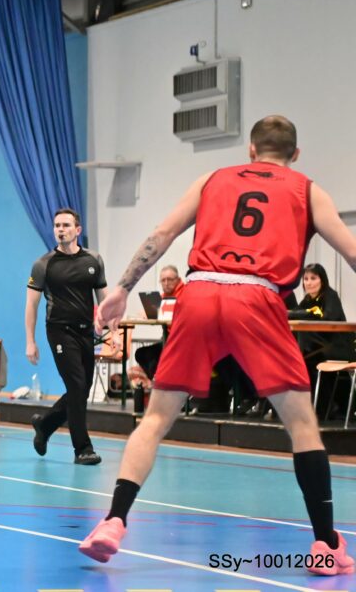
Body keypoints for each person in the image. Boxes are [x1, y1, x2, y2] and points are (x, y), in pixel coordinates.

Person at [80, 116, 355, 576]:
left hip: (200, 291)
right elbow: (352, 252)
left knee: (156, 419)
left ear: (251, 150)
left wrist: (122, 287)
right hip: (258, 296)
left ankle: (113, 520)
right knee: (303, 425)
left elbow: (161, 235)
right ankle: (326, 545)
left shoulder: (211, 180)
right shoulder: (308, 190)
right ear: (295, 154)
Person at [25, 208, 107, 465]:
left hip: (86, 332)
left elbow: (103, 301)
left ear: (77, 230)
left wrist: (112, 330)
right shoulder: (43, 264)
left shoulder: (94, 260)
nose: (60, 229)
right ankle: (82, 449)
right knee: (77, 385)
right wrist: (30, 341)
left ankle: (45, 425)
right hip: (59, 331)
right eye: (57, 225)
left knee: (81, 388)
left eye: (66, 225)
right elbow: (31, 305)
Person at [287, 263, 354, 416]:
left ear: (322, 280)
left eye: (313, 278)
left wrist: (305, 313)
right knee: (301, 362)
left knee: (306, 360)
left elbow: (328, 318)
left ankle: (326, 408)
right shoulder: (307, 300)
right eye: (306, 279)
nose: (309, 283)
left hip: (338, 348)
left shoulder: (330, 296)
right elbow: (292, 314)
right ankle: (316, 408)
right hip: (318, 349)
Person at [133, 265, 186, 383]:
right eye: (163, 280)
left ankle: (163, 382)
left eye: (170, 280)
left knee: (158, 356)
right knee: (141, 354)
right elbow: (155, 314)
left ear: (178, 280)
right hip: (167, 340)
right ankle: (158, 381)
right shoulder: (162, 298)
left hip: (183, 342)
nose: (166, 283)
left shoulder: (186, 294)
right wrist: (147, 313)